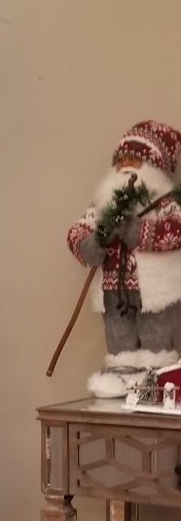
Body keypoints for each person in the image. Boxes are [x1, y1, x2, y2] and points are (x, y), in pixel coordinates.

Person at [67, 120, 181, 396]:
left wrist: (136, 231)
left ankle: (157, 379)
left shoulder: (165, 203)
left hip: (155, 290)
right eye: (121, 160)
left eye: (135, 160)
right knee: (119, 335)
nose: (125, 166)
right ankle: (120, 376)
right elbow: (78, 232)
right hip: (113, 290)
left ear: (155, 166)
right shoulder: (103, 204)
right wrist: (95, 243)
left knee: (156, 335)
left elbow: (176, 229)